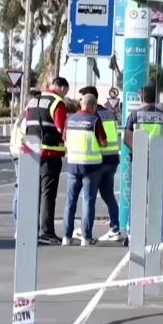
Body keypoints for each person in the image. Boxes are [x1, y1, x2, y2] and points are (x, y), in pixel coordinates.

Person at [124, 84, 163, 236]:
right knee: (159, 196)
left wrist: (139, 152)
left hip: (139, 160)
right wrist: (160, 153)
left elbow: (127, 138)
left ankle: (133, 229)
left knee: (137, 195)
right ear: (156, 97)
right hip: (157, 160)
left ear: (141, 98)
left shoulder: (134, 116)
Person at [25, 77, 69, 245]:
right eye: (65, 91)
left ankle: (30, 229)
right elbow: (61, 128)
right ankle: (46, 232)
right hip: (50, 153)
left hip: (31, 152)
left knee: (33, 193)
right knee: (48, 194)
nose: (65, 94)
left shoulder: (33, 101)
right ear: (62, 88)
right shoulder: (57, 102)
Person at [62, 93, 108, 246]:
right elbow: (103, 142)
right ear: (93, 105)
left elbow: (64, 138)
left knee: (70, 201)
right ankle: (86, 238)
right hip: (91, 166)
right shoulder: (94, 120)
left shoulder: (70, 120)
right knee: (88, 201)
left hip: (73, 165)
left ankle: (66, 237)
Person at [78, 86, 122, 242]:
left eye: (82, 98)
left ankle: (86, 232)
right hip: (112, 159)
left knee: (89, 197)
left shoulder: (91, 116)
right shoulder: (110, 113)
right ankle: (115, 227)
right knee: (108, 195)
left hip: (97, 160)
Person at [10, 90, 39, 224]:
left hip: (16, 153)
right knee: (22, 190)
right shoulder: (29, 117)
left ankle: (19, 221)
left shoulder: (23, 115)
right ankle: (19, 222)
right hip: (23, 155)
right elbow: (30, 137)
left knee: (20, 188)